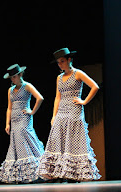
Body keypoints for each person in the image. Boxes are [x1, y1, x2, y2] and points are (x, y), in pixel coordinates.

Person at [37, 48, 101, 182]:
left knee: (73, 141)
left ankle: (75, 174)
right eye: (58, 63)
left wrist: (84, 101)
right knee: (59, 141)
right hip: (61, 112)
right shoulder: (59, 77)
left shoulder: (78, 74)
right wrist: (54, 115)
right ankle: (60, 173)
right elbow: (57, 97)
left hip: (74, 111)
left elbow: (94, 86)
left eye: (62, 62)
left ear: (69, 60)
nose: (60, 65)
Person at [0, 64, 45, 183]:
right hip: (14, 120)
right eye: (11, 78)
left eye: (14, 77)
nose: (12, 80)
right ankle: (21, 174)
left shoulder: (27, 86)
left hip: (24, 119)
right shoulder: (10, 90)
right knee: (16, 143)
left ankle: (37, 171)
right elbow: (9, 108)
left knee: (27, 141)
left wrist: (32, 111)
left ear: (20, 75)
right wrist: (7, 123)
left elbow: (40, 98)